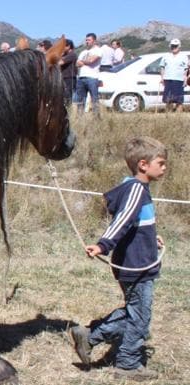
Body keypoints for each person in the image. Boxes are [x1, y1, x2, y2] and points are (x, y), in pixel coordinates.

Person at [70, 136, 167, 382]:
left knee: (135, 313)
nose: (165, 168)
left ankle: (89, 335)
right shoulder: (136, 189)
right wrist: (103, 245)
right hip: (136, 266)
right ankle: (127, 364)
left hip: (139, 260)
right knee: (140, 317)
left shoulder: (134, 187)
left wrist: (150, 236)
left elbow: (135, 222)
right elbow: (122, 221)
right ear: (143, 165)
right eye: (161, 163)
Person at [75, 33, 102, 114]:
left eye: (89, 40)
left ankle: (96, 118)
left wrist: (82, 61)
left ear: (94, 41)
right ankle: (80, 118)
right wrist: (85, 61)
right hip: (81, 77)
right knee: (80, 100)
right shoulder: (83, 52)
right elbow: (77, 64)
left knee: (94, 99)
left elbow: (92, 61)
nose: (87, 42)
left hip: (92, 78)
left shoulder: (98, 50)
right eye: (86, 40)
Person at [160, 38, 188, 112]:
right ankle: (169, 115)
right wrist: (162, 78)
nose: (174, 47)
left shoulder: (184, 57)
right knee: (168, 99)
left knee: (179, 100)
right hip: (168, 79)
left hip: (179, 80)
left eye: (176, 46)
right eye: (172, 46)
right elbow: (162, 68)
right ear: (170, 46)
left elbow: (186, 69)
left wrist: (185, 80)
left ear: (179, 46)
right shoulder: (165, 56)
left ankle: (178, 116)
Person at [59, 39, 77, 106]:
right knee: (64, 96)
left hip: (69, 78)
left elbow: (60, 63)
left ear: (68, 46)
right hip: (64, 77)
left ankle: (68, 112)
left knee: (67, 97)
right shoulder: (66, 55)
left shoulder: (72, 54)